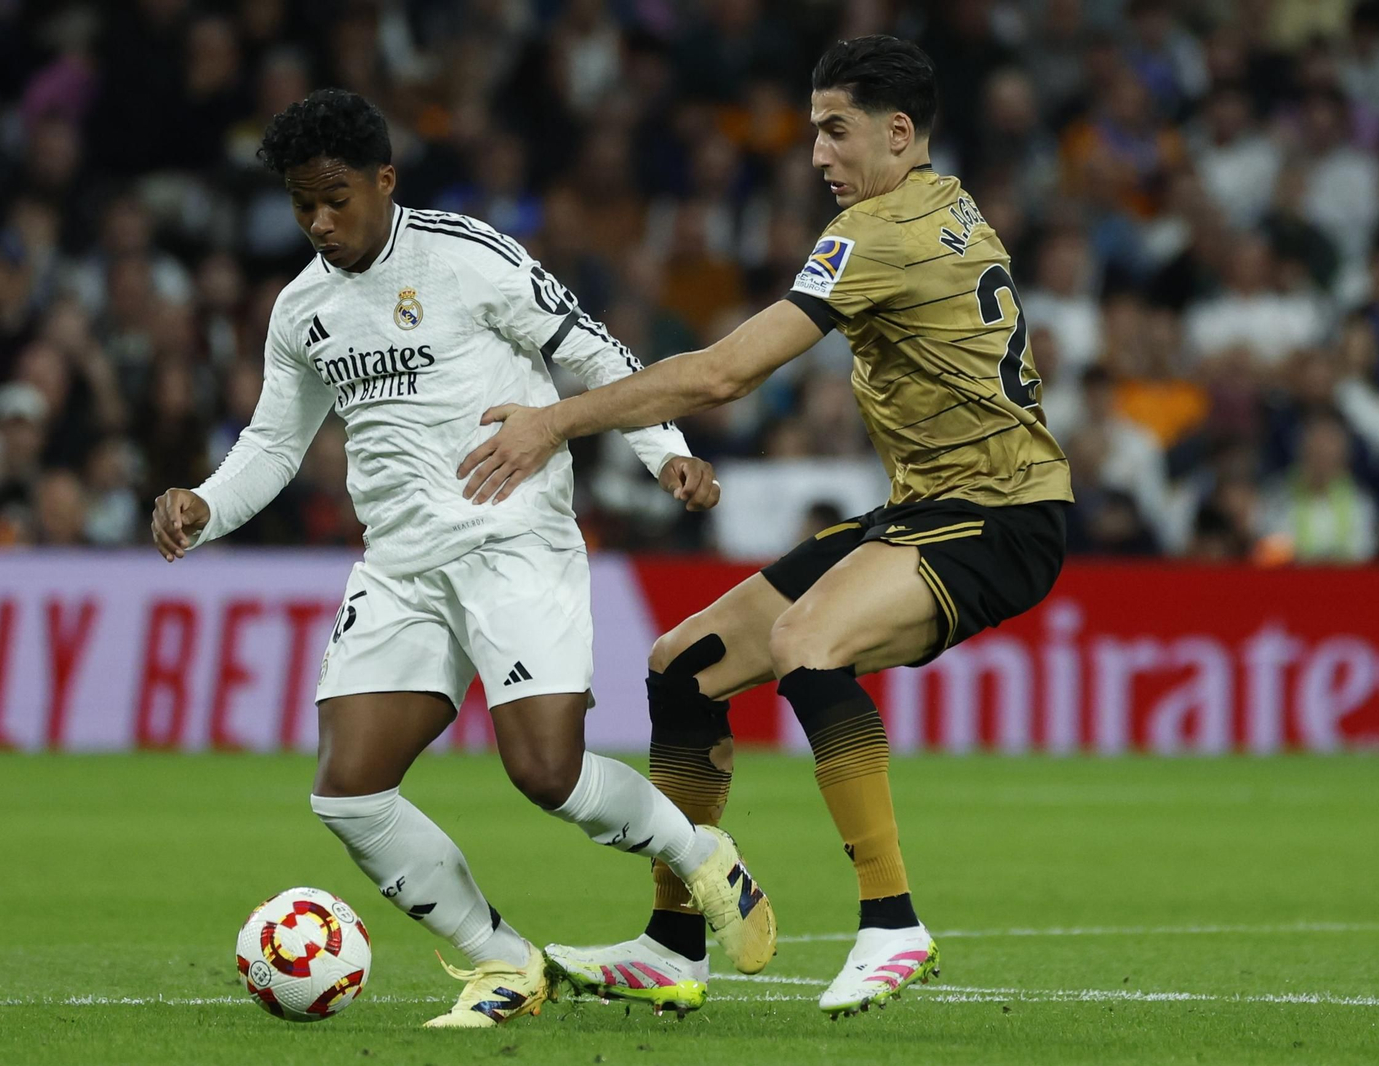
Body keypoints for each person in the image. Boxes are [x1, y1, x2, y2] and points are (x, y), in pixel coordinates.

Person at [460, 36, 1073, 1017]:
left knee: (805, 643)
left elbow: (722, 373)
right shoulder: (946, 202)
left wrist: (554, 422)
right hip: (930, 507)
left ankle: (891, 921)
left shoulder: (876, 233)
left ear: (898, 133)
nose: (817, 154)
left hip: (998, 515)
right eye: (813, 131)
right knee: (682, 665)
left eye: (836, 131)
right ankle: (672, 942)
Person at [147, 89, 774, 1029]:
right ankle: (503, 961)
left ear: (384, 181)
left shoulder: (466, 256)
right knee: (349, 793)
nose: (319, 221)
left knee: (544, 773)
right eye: (301, 204)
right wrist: (205, 503)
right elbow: (275, 445)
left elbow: (592, 352)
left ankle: (698, 854)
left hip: (512, 538)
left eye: (336, 198)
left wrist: (666, 453)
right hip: (401, 566)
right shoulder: (301, 310)